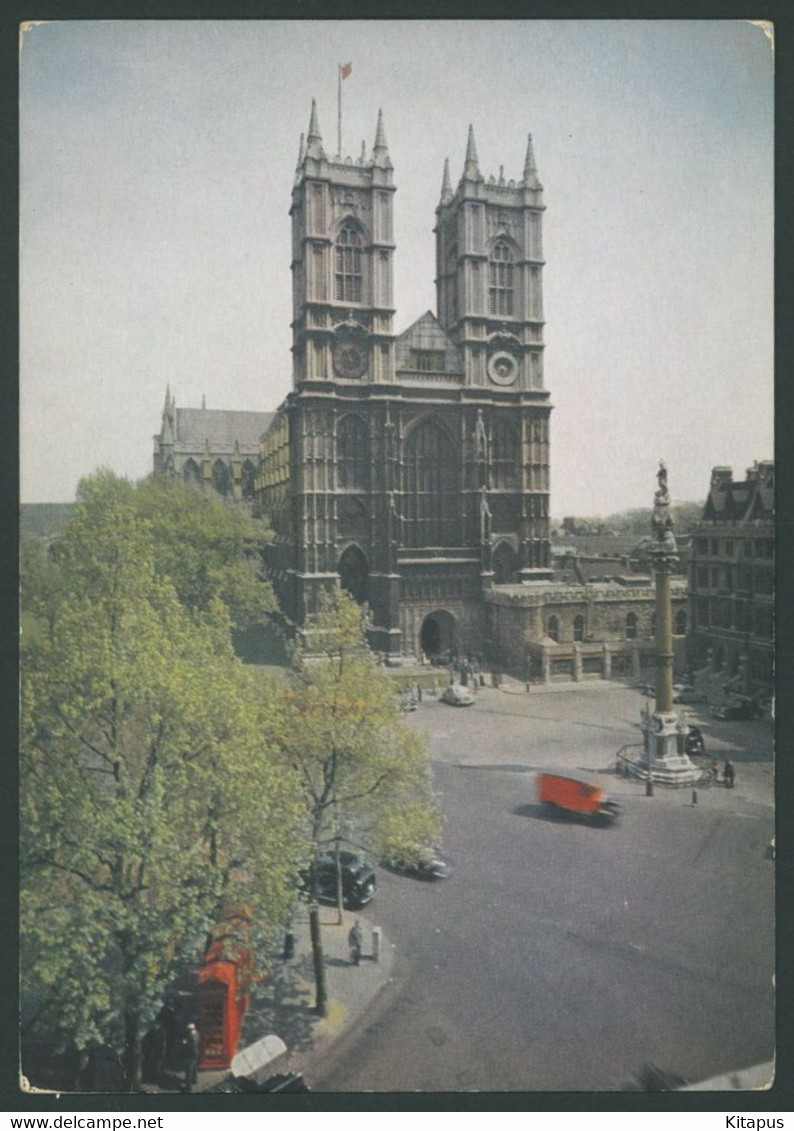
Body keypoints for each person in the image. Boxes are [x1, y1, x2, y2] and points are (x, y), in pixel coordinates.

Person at [183, 1022, 199, 1093]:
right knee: (194, 1067)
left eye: (188, 1029)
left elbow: (191, 1045)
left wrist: (185, 1042)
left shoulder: (191, 1036)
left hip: (190, 1054)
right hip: (196, 1054)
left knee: (188, 1070)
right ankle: (194, 1080)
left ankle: (188, 1088)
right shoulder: (197, 1033)